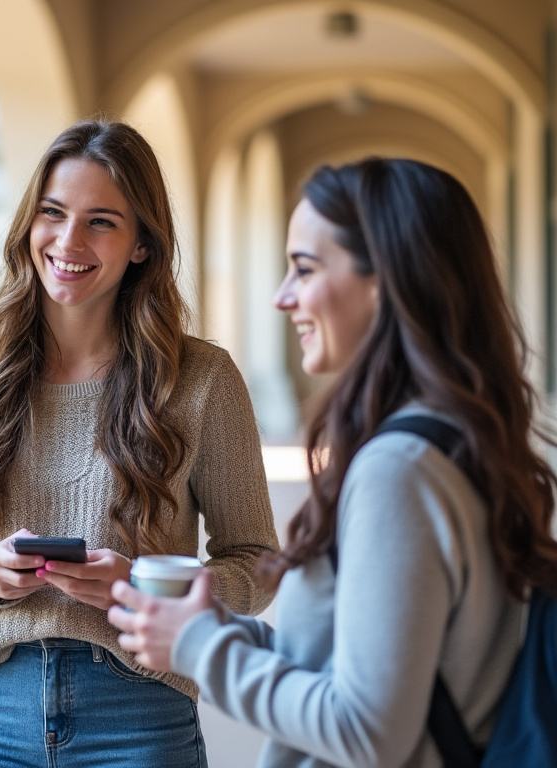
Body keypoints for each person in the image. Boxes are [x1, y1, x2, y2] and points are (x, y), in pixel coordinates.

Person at [109, 157, 557, 767]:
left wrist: (198, 647)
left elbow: (367, 731)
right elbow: (388, 668)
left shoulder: (398, 471)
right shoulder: (461, 439)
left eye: (304, 268)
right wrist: (212, 627)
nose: (281, 296)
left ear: (388, 280)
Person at [0, 118, 279, 767]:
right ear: (29, 224)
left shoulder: (203, 381)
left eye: (101, 220)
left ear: (141, 246)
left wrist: (144, 589)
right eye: (53, 213)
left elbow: (258, 563)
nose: (69, 240)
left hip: (142, 710)